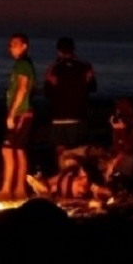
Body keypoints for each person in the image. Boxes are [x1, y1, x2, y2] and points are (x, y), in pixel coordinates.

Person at [43, 37, 96, 173]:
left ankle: (63, 177)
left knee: (61, 151)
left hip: (59, 115)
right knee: (78, 151)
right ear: (73, 49)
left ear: (59, 51)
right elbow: (93, 87)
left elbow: (47, 92)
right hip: (79, 115)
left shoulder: (53, 68)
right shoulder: (85, 66)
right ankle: (79, 178)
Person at [0, 33, 36, 201]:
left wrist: (12, 114)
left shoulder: (22, 64)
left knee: (8, 150)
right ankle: (18, 190)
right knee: (18, 150)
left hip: (21, 112)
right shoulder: (24, 64)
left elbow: (22, 88)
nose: (10, 47)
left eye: (14, 43)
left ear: (24, 46)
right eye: (10, 44)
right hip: (24, 112)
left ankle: (9, 189)